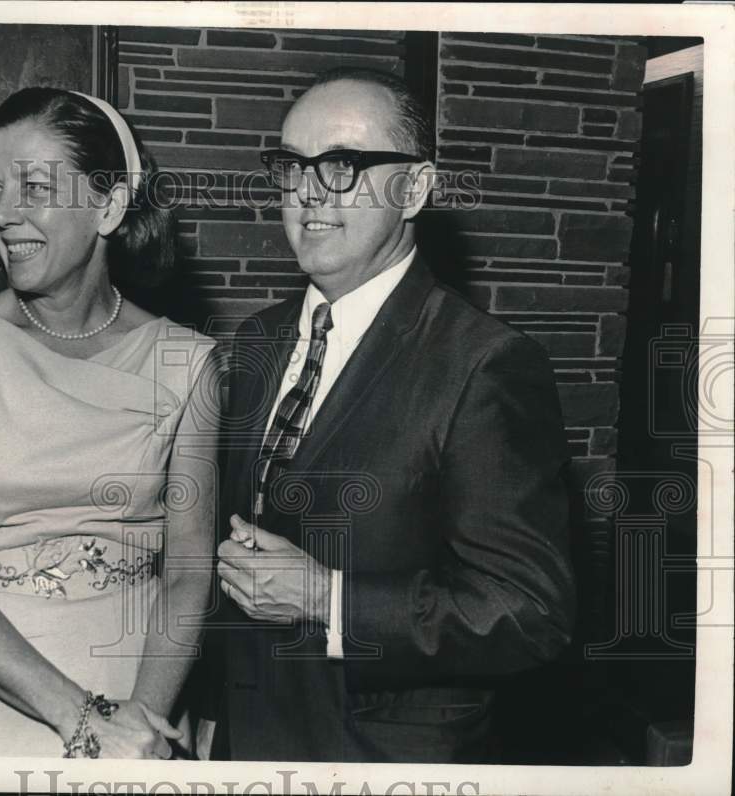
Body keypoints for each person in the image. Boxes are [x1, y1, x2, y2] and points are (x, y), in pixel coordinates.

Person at [206, 67, 576, 762]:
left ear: (415, 188)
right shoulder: (259, 337)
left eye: (341, 165)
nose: (308, 192)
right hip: (249, 739)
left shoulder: (484, 362)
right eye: (291, 166)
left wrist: (330, 599)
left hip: (384, 755)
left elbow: (531, 613)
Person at [0, 87, 219, 758]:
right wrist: (82, 720)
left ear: (108, 205)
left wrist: (142, 727)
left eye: (33, 186)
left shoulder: (188, 361)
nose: (4, 214)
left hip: (142, 687)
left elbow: (189, 569)